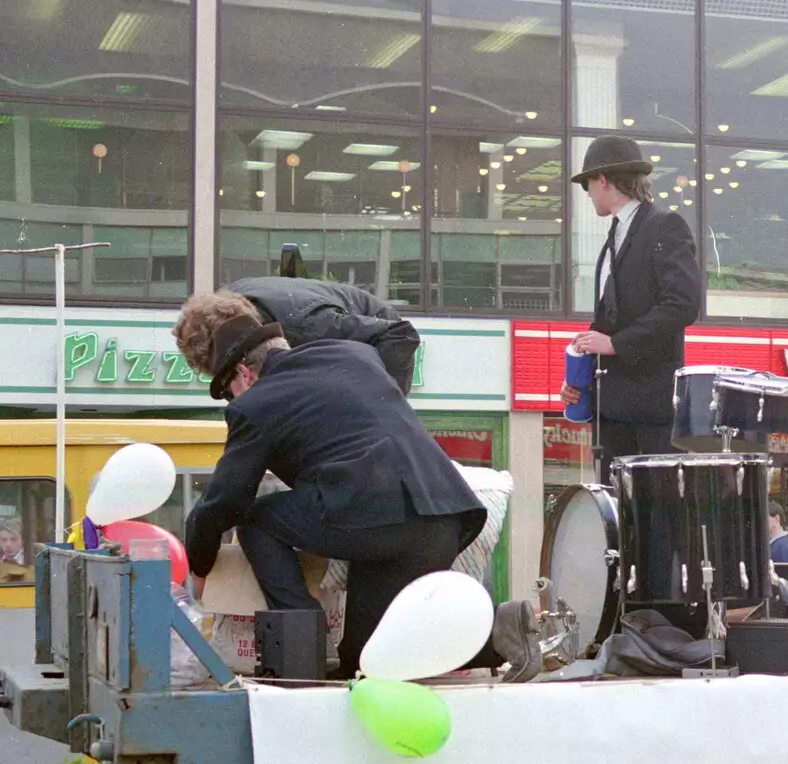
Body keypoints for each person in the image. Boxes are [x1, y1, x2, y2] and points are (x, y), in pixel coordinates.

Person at [182, 311, 546, 681]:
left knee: (254, 518)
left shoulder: (255, 404)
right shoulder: (354, 355)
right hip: (442, 512)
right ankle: (502, 633)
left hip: (375, 516)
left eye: (228, 391)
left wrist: (200, 563)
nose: (231, 400)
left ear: (245, 373)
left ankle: (299, 644)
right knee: (368, 659)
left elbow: (224, 502)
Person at [558, 135, 701, 484]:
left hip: (651, 412)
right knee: (614, 519)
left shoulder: (664, 226)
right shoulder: (616, 236)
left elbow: (683, 304)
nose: (588, 193)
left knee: (652, 523)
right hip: (611, 409)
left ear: (604, 180)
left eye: (588, 184)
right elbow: (612, 316)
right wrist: (580, 373)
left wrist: (616, 344)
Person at [173, 277, 419, 396]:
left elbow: (400, 335)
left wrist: (379, 405)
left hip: (379, 340)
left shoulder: (309, 326)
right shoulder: (226, 306)